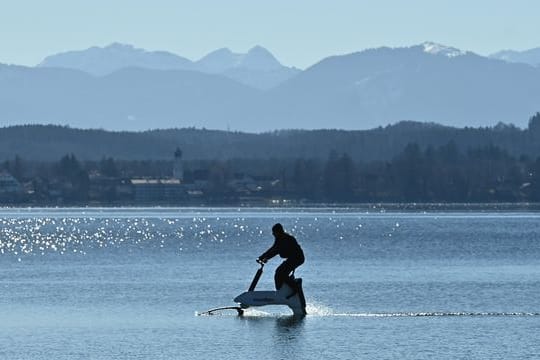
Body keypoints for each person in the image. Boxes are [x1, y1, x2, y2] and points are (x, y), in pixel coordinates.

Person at [257, 223, 305, 297]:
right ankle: (286, 290)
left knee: (280, 273)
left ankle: (294, 288)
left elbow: (276, 251)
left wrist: (264, 257)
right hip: (294, 258)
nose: (273, 234)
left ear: (278, 232)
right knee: (280, 273)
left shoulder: (285, 239)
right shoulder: (279, 238)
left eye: (274, 232)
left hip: (297, 258)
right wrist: (263, 257)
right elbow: (273, 249)